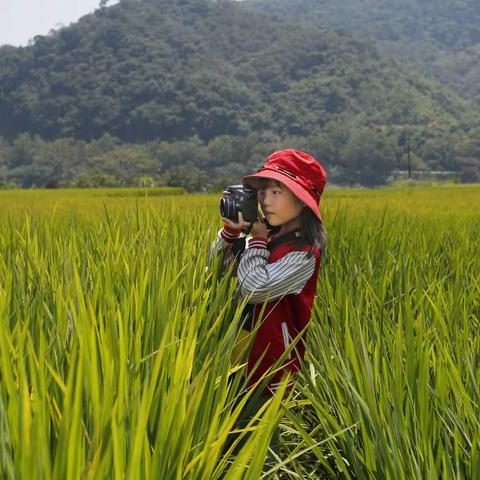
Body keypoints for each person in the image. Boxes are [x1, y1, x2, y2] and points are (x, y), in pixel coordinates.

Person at [210, 148, 327, 463]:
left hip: (271, 366)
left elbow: (254, 287)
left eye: (277, 192)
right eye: (262, 191)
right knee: (229, 438)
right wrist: (231, 233)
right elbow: (216, 272)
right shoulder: (266, 236)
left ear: (303, 200)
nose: (266, 200)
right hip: (238, 354)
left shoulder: (303, 253)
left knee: (260, 450)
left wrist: (256, 241)